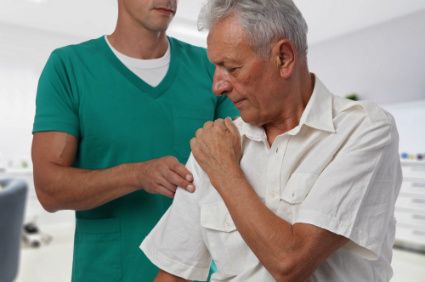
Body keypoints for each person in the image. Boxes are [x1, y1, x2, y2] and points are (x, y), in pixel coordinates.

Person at [140, 0, 402, 281]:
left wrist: (225, 171)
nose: (218, 86)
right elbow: (174, 274)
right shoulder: (216, 145)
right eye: (216, 68)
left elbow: (291, 263)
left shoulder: (364, 129)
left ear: (284, 58)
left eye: (232, 67)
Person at [31, 0, 238, 281]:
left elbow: (243, 168)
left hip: (197, 273)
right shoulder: (69, 68)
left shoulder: (210, 68)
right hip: (107, 271)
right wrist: (137, 175)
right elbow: (49, 190)